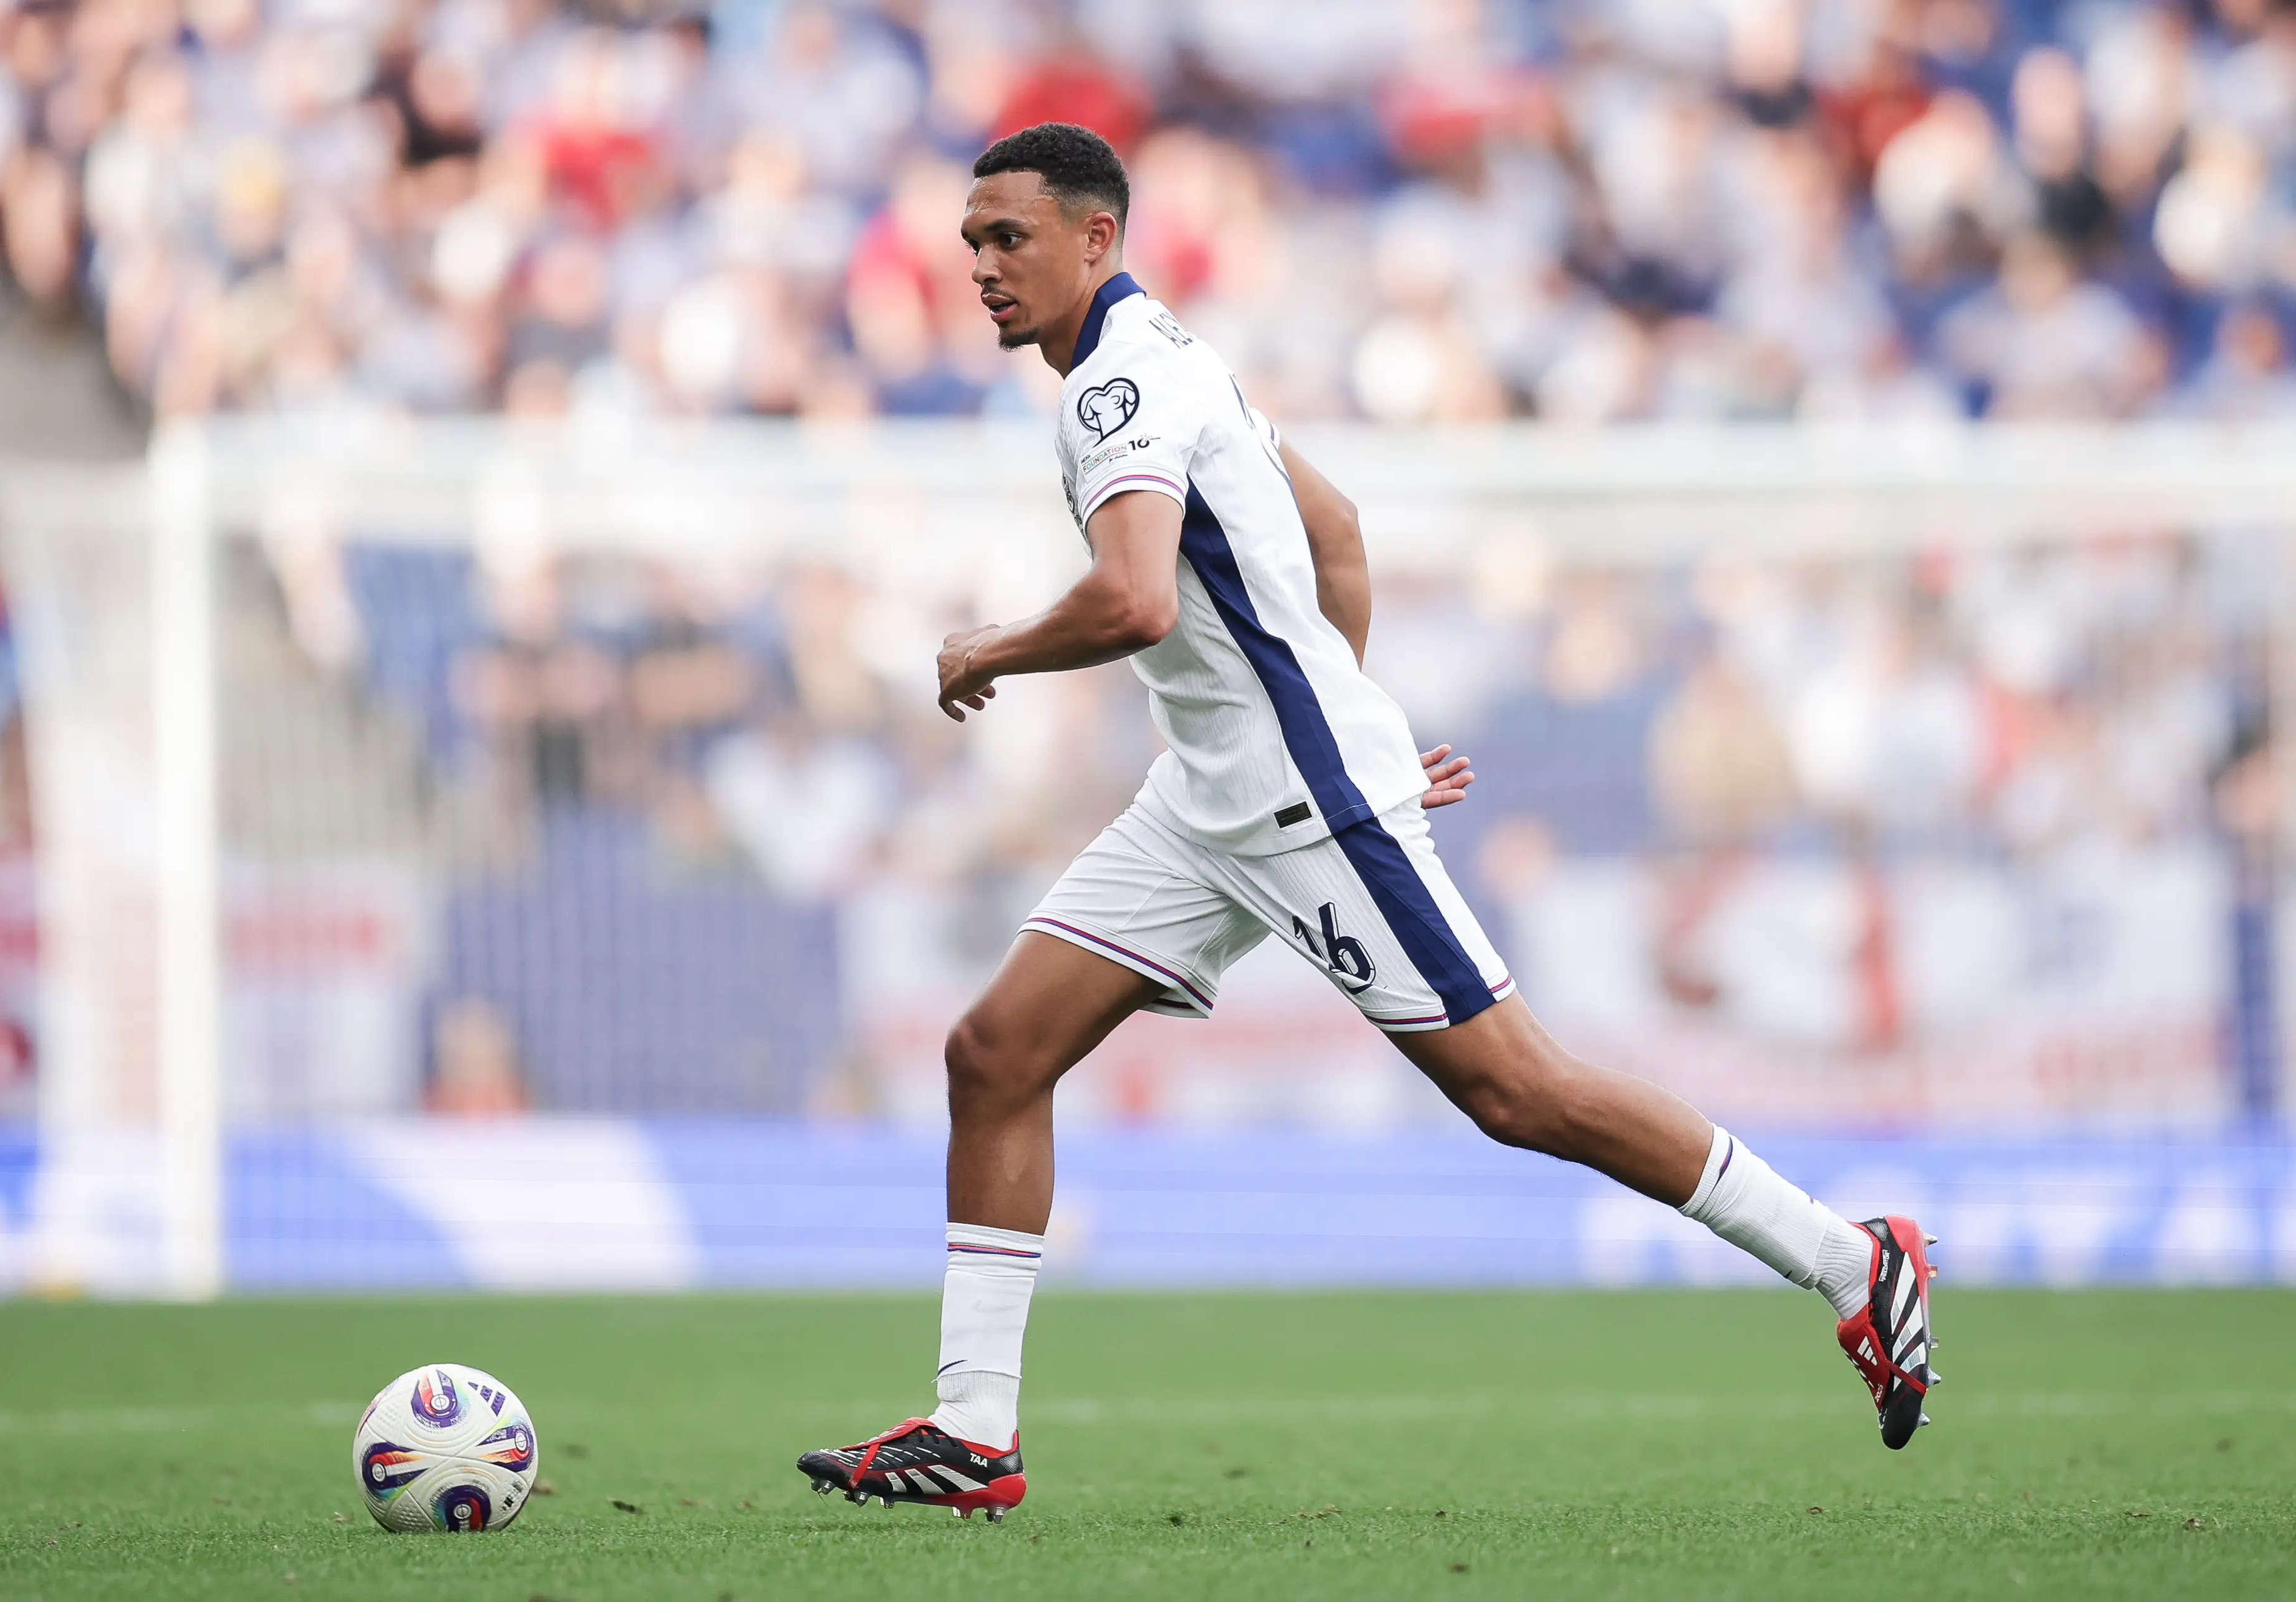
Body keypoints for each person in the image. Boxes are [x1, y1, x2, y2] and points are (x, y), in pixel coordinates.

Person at [797, 123, 1938, 1524]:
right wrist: (1345, 703)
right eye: (971, 239)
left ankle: (1851, 1258)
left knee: (1519, 1089)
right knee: (994, 1052)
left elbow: (1136, 599)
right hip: (1206, 799)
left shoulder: (1111, 392)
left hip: (1297, 804)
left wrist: (994, 647)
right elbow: (1331, 524)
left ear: (1097, 239)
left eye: (1008, 237)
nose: (981, 265)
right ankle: (975, 1430)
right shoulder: (1172, 353)